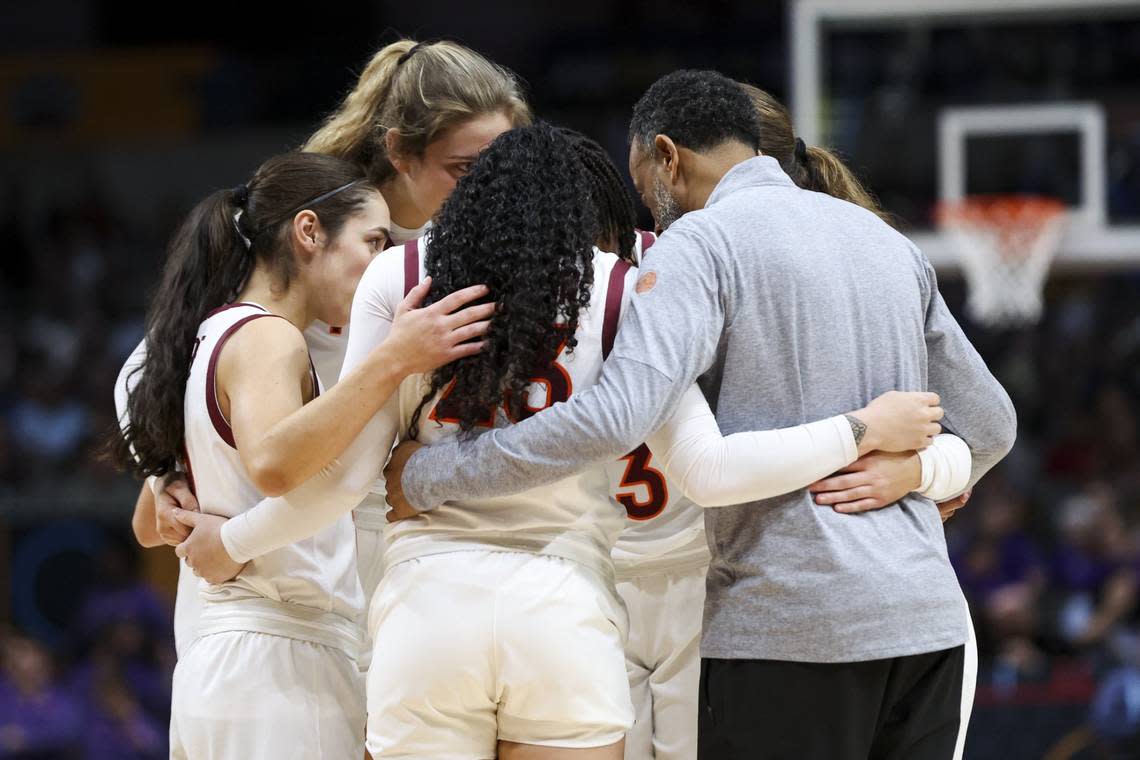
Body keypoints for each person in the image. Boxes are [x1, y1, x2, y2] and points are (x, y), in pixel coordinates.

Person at [179, 123, 961, 759]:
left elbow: (350, 480)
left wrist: (239, 538)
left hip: (428, 606)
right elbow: (710, 470)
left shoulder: (404, 274)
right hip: (567, 605)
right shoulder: (626, 287)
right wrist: (876, 436)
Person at [383, 71, 1017, 760]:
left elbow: (614, 420)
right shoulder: (889, 243)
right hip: (927, 623)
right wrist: (920, 470)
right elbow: (992, 427)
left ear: (667, 157)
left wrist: (434, 474)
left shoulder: (700, 244)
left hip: (787, 621)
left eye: (641, 181)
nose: (648, 217)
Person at [118, 37, 531, 663]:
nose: (489, 190)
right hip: (253, 552)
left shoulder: (481, 245)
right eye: (465, 170)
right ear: (400, 151)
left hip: (370, 532)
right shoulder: (312, 223)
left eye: (503, 168)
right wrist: (164, 472)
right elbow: (148, 365)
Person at [111, 151, 491, 759]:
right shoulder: (267, 336)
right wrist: (395, 358)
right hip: (276, 658)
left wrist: (180, 503)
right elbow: (273, 463)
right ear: (309, 232)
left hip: (228, 660)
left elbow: (147, 524)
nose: (379, 263)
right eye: (372, 241)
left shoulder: (209, 332)